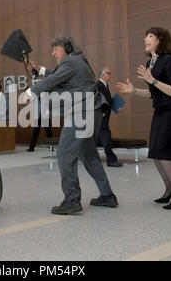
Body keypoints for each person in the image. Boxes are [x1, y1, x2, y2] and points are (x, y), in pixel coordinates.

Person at [26, 36, 118, 215]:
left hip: (82, 112)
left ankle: (72, 199)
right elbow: (57, 74)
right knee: (88, 155)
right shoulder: (77, 62)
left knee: (64, 153)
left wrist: (31, 91)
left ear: (67, 48)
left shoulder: (70, 61)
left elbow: (53, 80)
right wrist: (39, 68)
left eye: (55, 49)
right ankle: (107, 195)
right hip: (92, 110)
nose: (53, 53)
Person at [116, 27, 171, 210]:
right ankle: (169, 189)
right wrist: (134, 91)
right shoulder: (149, 63)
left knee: (163, 149)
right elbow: (153, 93)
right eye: (146, 36)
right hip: (160, 109)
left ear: (160, 40)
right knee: (155, 151)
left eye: (150, 36)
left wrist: (152, 80)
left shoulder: (168, 61)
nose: (146, 39)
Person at [96, 67, 123, 167]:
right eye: (108, 73)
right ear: (103, 75)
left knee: (99, 138)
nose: (110, 75)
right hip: (101, 118)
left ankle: (86, 157)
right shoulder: (98, 85)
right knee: (106, 138)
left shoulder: (105, 86)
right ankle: (111, 160)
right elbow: (96, 100)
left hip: (103, 118)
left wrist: (116, 106)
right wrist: (100, 112)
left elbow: (107, 100)